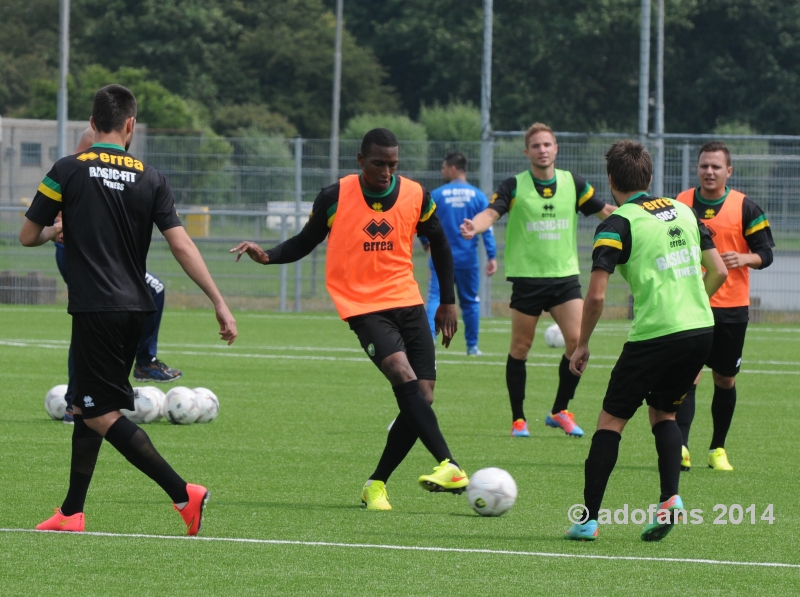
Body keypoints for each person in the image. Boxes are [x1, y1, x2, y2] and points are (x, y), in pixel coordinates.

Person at [20, 84, 237, 535]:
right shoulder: (151, 177)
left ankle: (183, 493)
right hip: (135, 309)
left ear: (92, 123)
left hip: (95, 308)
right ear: (130, 125)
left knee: (99, 413)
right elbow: (181, 244)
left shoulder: (67, 169)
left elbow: (27, 235)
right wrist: (219, 302)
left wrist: (55, 230)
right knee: (84, 405)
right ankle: (71, 512)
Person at [231, 128, 469, 511]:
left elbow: (439, 243)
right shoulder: (334, 196)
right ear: (361, 161)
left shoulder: (416, 195)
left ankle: (375, 484)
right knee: (400, 371)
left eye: (393, 164)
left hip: (407, 301)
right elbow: (305, 240)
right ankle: (449, 463)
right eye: (378, 164)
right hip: (362, 306)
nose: (386, 172)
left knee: (422, 396)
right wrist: (269, 255)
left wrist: (447, 302)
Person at [563, 140, 727, 542]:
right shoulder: (685, 210)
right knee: (663, 415)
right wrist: (691, 304)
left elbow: (597, 296)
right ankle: (670, 499)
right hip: (701, 330)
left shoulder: (618, 223)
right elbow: (719, 271)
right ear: (649, 177)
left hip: (656, 334)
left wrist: (581, 344)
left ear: (611, 180)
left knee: (610, 422)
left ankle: (587, 520)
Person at [460, 122, 615, 438]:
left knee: (577, 343)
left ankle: (559, 410)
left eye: (548, 144)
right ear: (527, 151)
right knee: (520, 347)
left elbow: (606, 211)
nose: (542, 150)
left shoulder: (574, 184)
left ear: (556, 148)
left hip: (564, 279)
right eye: (536, 146)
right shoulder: (513, 186)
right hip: (528, 281)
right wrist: (473, 226)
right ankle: (519, 418)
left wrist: (640, 213)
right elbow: (491, 213)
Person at [54, 128, 182, 425]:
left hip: (101, 257)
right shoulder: (85, 153)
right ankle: (138, 366)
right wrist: (58, 223)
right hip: (85, 255)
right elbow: (61, 194)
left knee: (91, 322)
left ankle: (82, 402)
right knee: (141, 294)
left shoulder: (122, 167)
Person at [674, 142, 775, 472]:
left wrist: (745, 257)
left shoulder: (746, 207)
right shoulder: (681, 203)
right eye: (704, 165)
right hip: (692, 304)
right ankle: (681, 448)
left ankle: (717, 448)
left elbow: (766, 253)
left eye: (716, 167)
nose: (709, 171)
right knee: (687, 377)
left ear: (728, 171)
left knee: (725, 380)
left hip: (732, 309)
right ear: (697, 168)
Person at [422, 151, 497, 356]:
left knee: (435, 299)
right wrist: (492, 255)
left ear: (453, 168)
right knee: (471, 301)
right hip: (467, 260)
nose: (442, 171)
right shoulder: (478, 196)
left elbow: (421, 220)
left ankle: (430, 341)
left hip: (440, 259)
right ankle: (472, 347)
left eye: (444, 167)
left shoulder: (437, 195)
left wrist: (425, 243)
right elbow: (487, 227)